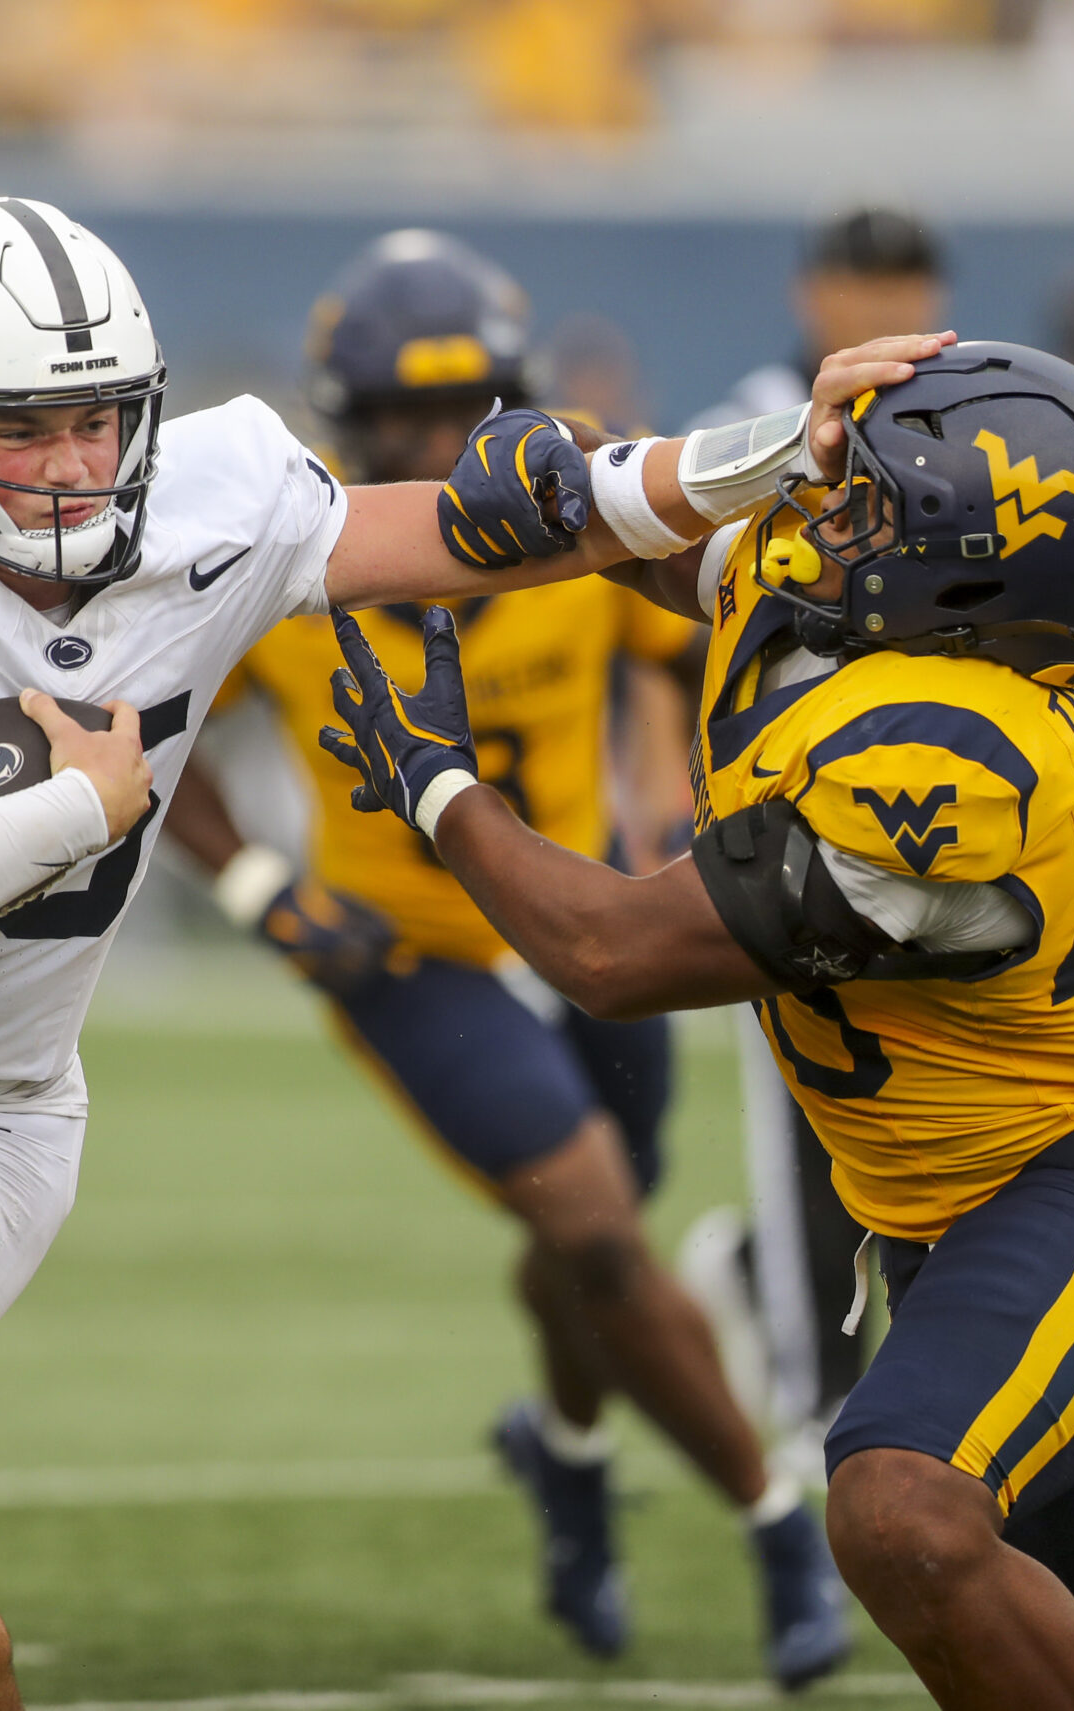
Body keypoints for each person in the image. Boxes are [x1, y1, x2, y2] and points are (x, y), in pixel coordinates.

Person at [0, 199, 936, 1711]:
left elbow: (540, 514)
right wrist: (74, 812)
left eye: (100, 421)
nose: (74, 468)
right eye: (19, 431)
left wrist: (781, 454)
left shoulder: (216, 498)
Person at [318, 341, 1074, 1710]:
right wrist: (574, 466)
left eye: (882, 507)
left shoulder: (963, 761)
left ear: (968, 581)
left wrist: (435, 787)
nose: (828, 517)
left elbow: (609, 951)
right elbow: (672, 558)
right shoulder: (879, 607)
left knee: (904, 1504)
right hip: (946, 1210)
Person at [161, 230, 846, 1684]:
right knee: (599, 1228)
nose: (428, 443)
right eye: (399, 418)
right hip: (409, 958)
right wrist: (263, 887)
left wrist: (679, 773)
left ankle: (572, 1449)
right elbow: (148, 742)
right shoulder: (296, 558)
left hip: (589, 921)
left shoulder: (575, 523)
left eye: (460, 407)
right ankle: (777, 1514)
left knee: (592, 1257)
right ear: (345, 421)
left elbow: (676, 642)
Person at [676, 205, 945, 1515]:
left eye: (908, 278)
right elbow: (686, 596)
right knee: (801, 1098)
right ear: (816, 289)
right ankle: (810, 1394)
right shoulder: (759, 418)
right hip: (787, 801)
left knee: (915, 1098)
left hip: (919, 803)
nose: (887, 299)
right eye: (868, 278)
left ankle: (760, 1292)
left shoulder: (957, 409)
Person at [685, 208, 943, 435]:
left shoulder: (961, 411)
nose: (888, 306)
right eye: (868, 284)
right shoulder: (746, 422)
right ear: (810, 293)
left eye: (906, 284)